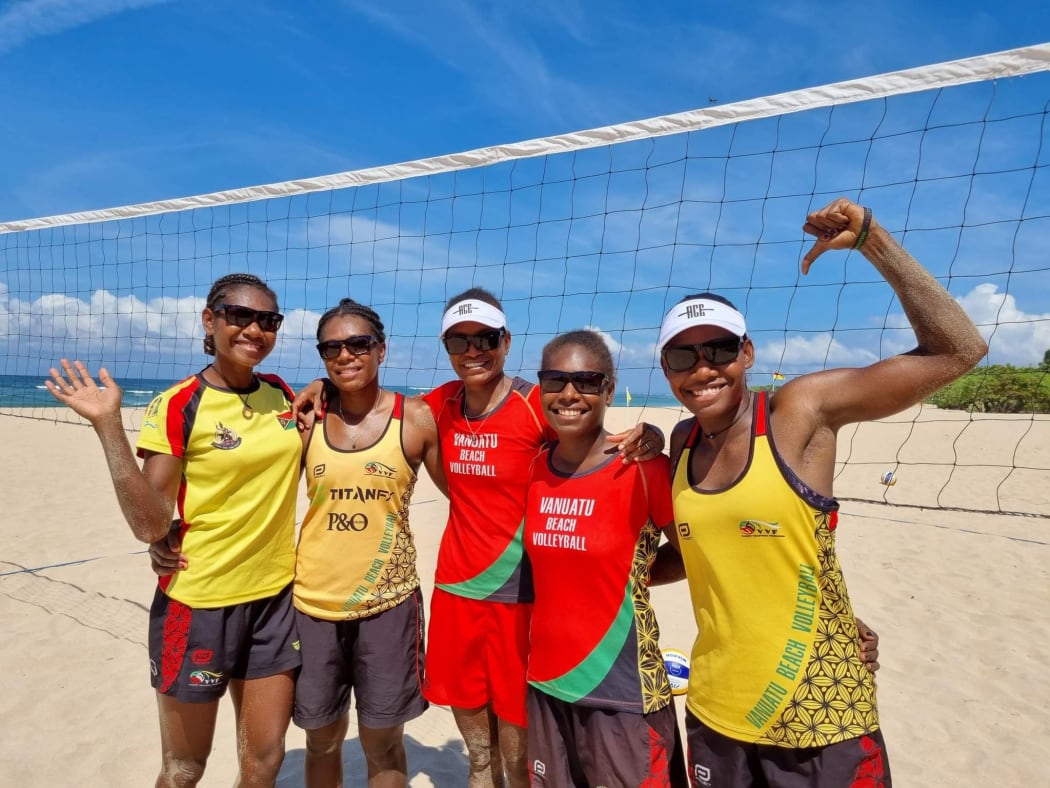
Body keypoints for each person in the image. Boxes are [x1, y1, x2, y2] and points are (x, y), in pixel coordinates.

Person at [659, 198, 987, 786]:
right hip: (715, 712)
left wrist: (873, 242)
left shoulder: (798, 411)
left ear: (748, 354)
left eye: (720, 350)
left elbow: (959, 351)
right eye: (684, 354)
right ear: (666, 369)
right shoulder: (680, 442)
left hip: (822, 714)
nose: (703, 367)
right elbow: (695, 553)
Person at [297, 287, 665, 787]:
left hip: (521, 597)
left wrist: (655, 436)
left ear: (505, 341)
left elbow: (592, 441)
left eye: (484, 338)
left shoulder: (539, 402)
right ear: (445, 347)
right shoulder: (436, 406)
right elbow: (368, 394)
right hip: (455, 591)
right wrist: (324, 384)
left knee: (518, 755)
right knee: (478, 755)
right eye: (459, 341)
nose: (472, 350)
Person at [45, 273, 302, 787]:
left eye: (268, 320)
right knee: (185, 769)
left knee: (265, 761)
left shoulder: (280, 392)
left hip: (276, 600)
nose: (255, 328)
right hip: (200, 602)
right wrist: (108, 426)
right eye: (239, 315)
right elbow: (150, 522)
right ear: (210, 321)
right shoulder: (180, 403)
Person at [522, 329, 688, 787]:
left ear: (609, 390)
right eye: (556, 380)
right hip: (546, 683)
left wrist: (632, 577)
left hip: (624, 691)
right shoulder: (536, 468)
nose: (569, 394)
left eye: (587, 381)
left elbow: (694, 555)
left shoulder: (644, 467)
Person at [293, 298, 447, 787]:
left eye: (358, 344)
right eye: (331, 348)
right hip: (312, 603)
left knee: (382, 742)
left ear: (381, 350)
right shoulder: (306, 419)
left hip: (389, 605)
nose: (345, 355)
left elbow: (469, 497)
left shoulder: (417, 418)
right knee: (321, 738)